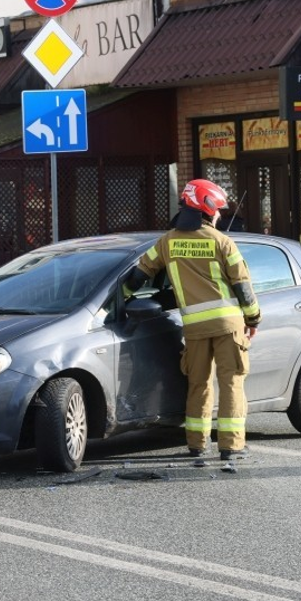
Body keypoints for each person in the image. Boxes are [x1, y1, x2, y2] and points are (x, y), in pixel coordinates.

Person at [124, 179, 261, 461]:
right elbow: (243, 287)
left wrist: (121, 299)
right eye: (218, 209)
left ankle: (197, 444)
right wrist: (253, 318)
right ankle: (232, 447)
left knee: (198, 384)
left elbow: (139, 275)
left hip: (194, 329)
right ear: (207, 207)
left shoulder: (167, 242)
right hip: (228, 326)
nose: (220, 214)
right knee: (232, 383)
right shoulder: (223, 242)